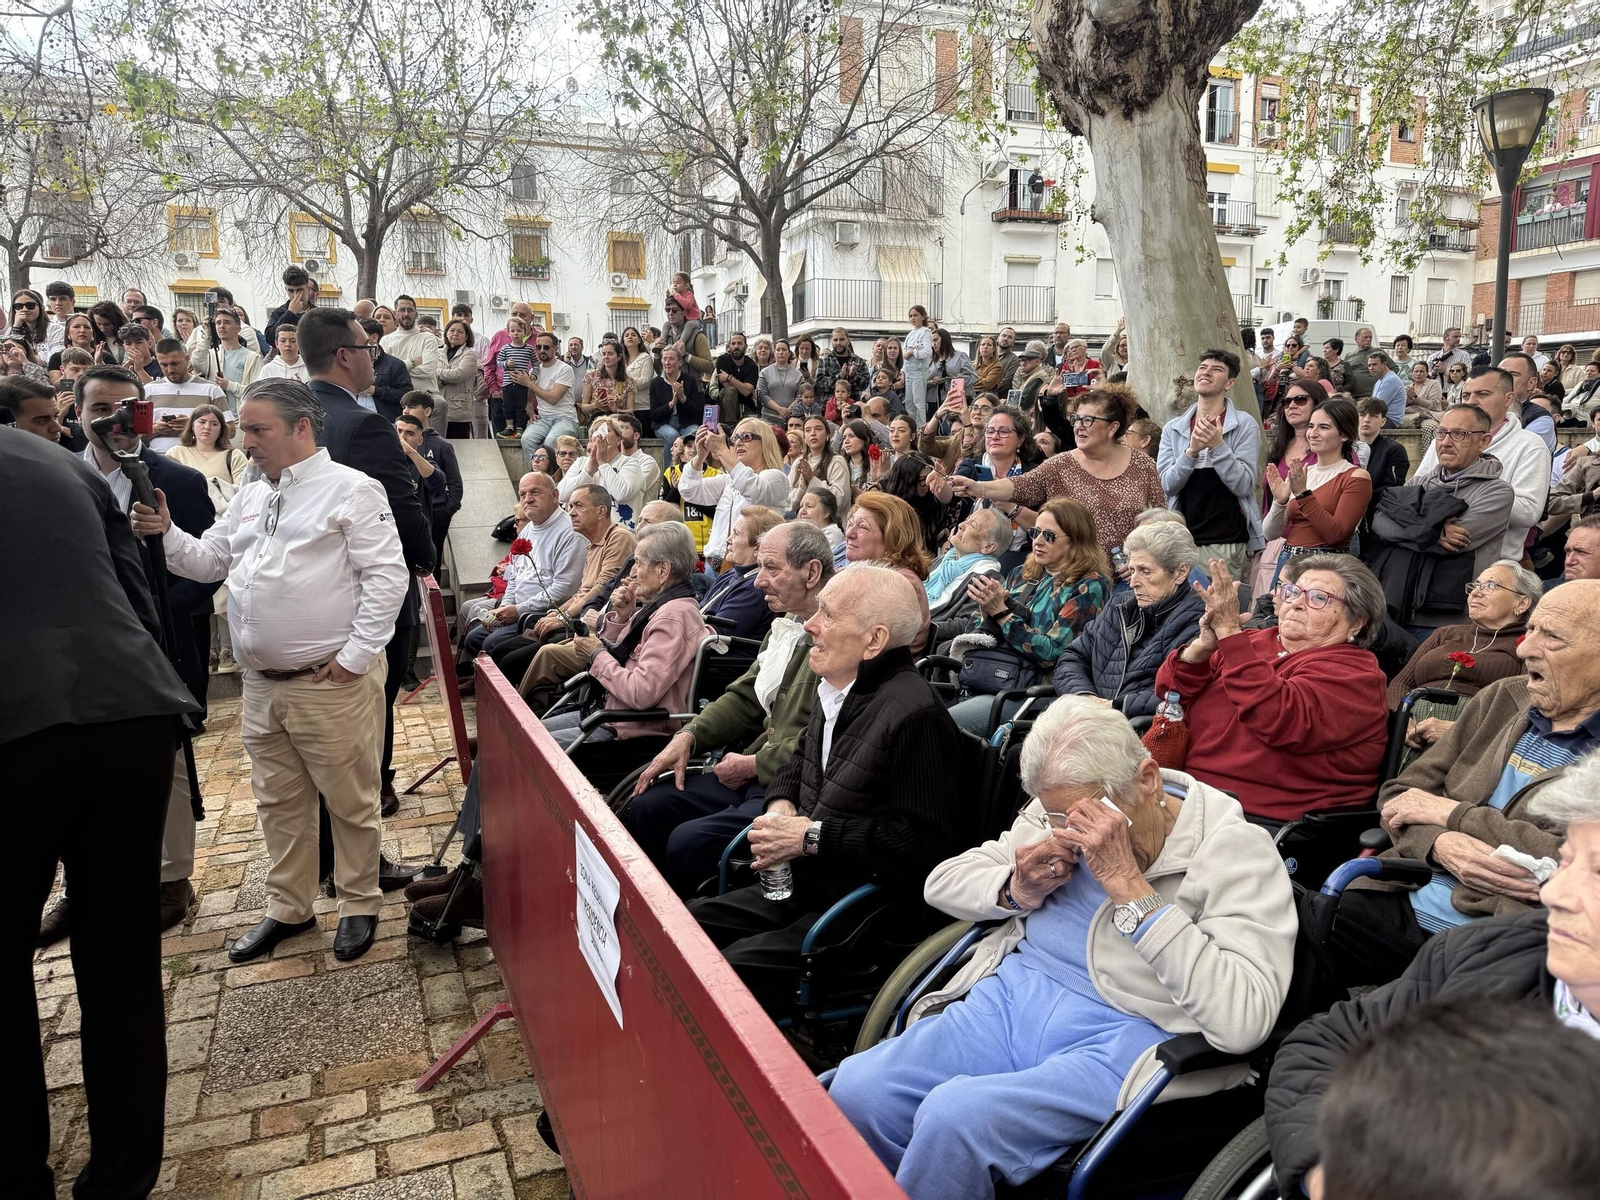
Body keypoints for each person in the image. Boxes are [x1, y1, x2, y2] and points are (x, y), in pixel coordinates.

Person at [830, 695, 1296, 1200]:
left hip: (1129, 1033)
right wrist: (1017, 889)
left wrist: (1131, 889)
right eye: (1058, 816)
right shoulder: (1056, 810)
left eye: (1091, 813)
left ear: (1147, 779)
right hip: (1011, 1002)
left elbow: (1244, 1019)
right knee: (858, 1091)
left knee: (955, 1121)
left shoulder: (1233, 850)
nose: (1075, 833)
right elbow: (942, 882)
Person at [133, 379, 409, 964]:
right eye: (243, 427)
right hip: (262, 684)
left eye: (258, 429)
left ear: (301, 428)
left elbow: (389, 579)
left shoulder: (352, 490)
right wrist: (168, 532)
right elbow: (211, 561)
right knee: (277, 801)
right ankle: (290, 906)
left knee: (350, 800)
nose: (245, 439)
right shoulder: (254, 493)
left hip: (329, 681)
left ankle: (359, 902)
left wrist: (354, 659)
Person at [7, 425, 202, 1200]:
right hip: (126, 711)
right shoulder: (55, 460)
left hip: (17, 727)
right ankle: (122, 1176)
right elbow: (137, 593)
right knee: (121, 955)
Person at [1266, 755, 1600, 1198]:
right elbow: (1327, 1043)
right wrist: (1327, 1168)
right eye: (1564, 861)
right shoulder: (1488, 951)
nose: (1554, 891)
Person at [686, 565, 973, 1012]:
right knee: (686, 928)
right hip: (806, 886)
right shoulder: (839, 687)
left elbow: (924, 846)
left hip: (861, 917)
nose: (810, 624)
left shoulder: (915, 716)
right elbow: (798, 763)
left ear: (874, 641)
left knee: (719, 979)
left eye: (828, 614)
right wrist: (781, 808)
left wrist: (809, 836)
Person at [1340, 582, 1600, 978]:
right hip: (1407, 891)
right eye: (1530, 630)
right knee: (1296, 936)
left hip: (1510, 940)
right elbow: (1399, 795)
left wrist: (1453, 815)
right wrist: (1439, 843)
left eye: (1553, 637)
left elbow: (1573, 862)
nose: (1524, 649)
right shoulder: (1504, 698)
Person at [626, 522, 832, 893]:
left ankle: (689, 929)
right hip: (754, 773)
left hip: (794, 790)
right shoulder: (784, 625)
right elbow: (744, 697)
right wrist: (689, 736)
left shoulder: (836, 639)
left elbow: (827, 735)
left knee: (690, 841)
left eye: (771, 568)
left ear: (812, 572)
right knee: (646, 808)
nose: (758, 581)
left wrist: (755, 763)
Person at [1155, 554, 1389, 823]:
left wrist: (1230, 632)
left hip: (1261, 820)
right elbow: (1169, 693)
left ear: (1357, 622)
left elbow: (1278, 718)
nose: (1297, 604)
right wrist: (1199, 651)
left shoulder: (1356, 674)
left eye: (1318, 598)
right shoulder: (1254, 640)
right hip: (1186, 793)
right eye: (1293, 592)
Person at [946, 498, 1112, 733]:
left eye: (1050, 536)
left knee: (944, 723)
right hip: (990, 675)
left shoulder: (1089, 585)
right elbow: (974, 633)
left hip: (1033, 690)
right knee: (920, 708)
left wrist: (1002, 614)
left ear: (1076, 542)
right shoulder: (1022, 573)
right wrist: (986, 611)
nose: (1038, 541)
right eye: (1035, 532)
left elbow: (1053, 654)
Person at [953, 384, 1166, 565]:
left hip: (1128, 576)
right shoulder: (1060, 464)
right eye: (1076, 419)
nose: (1079, 427)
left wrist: (1141, 561)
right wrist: (977, 487)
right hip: (1073, 577)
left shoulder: (1142, 465)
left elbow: (1160, 520)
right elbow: (1019, 485)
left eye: (1088, 420)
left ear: (1113, 428)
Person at [538, 522, 707, 748]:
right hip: (610, 713)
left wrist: (595, 653)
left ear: (662, 571)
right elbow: (625, 657)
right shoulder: (660, 606)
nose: (632, 572)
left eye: (638, 563)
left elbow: (640, 692)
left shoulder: (672, 617)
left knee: (527, 745)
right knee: (526, 731)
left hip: (631, 730)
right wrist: (622, 618)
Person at [1369, 404, 1515, 632]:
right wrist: (1433, 532)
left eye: (1459, 434)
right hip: (1397, 606)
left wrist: (1407, 525)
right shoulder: (1420, 482)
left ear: (1484, 441)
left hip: (1449, 617)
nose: (1446, 442)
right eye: (1441, 432)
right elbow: (1379, 522)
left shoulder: (1496, 492)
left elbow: (1455, 542)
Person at [1051, 520, 1206, 718]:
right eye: (1132, 570)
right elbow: (1072, 658)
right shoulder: (1119, 606)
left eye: (1145, 571)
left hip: (1140, 731)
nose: (1133, 583)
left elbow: (1179, 691)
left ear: (1180, 572)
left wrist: (1116, 707)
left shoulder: (1197, 621)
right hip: (1090, 720)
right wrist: (1085, 697)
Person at [1414, 366, 1550, 565]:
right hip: (1428, 553)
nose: (1472, 402)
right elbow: (1414, 491)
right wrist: (1436, 526)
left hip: (1493, 564)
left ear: (1508, 399)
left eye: (1483, 394)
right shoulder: (1445, 437)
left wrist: (1443, 516)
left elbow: (1528, 511)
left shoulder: (1531, 445)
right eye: (1466, 395)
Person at [458, 471, 588, 667]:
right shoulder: (527, 529)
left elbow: (564, 589)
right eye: (523, 494)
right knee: (473, 638)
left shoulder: (569, 533)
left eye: (535, 492)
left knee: (491, 644)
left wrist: (518, 611)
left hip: (544, 615)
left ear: (554, 495)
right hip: (518, 610)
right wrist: (505, 608)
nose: (528, 499)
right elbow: (515, 577)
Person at [1157, 348, 1263, 585]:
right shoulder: (1174, 428)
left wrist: (1218, 447)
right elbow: (1168, 484)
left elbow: (1244, 485)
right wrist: (1191, 452)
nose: (1206, 373)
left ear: (1230, 383)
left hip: (1225, 541)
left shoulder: (1244, 425)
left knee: (1217, 613)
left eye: (1217, 370)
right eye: (1203, 368)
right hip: (1180, 539)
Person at [1388, 560, 1540, 724]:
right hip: (1411, 727)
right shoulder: (1445, 633)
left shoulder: (1528, 644)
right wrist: (1402, 722)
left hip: (1474, 736)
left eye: (1490, 586)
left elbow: (1526, 704)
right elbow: (1400, 684)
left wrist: (1458, 732)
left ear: (1522, 603)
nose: (1475, 593)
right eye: (1475, 586)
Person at [1263, 398, 1372, 582]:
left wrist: (1303, 495)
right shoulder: (1303, 473)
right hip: (1288, 562)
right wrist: (1279, 501)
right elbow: (1270, 533)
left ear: (1344, 435)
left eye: (1323, 427)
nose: (1313, 433)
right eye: (1311, 426)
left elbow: (1336, 534)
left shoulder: (1356, 476)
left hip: (1324, 566)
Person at [675, 419, 790, 571]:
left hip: (747, 569)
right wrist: (700, 457)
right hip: (712, 567)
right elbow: (689, 490)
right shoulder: (728, 479)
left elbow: (752, 489)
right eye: (735, 439)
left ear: (766, 443)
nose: (739, 442)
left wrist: (722, 450)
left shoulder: (776, 477)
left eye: (746, 436)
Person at [843, 490, 934, 646]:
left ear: (893, 539)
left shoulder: (902, 583)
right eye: (850, 523)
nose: (850, 533)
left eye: (863, 527)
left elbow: (863, 642)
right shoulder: (867, 573)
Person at [925, 508, 1012, 644]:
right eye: (967, 520)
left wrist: (922, 628)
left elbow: (966, 625)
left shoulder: (988, 579)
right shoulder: (944, 560)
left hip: (928, 644)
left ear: (988, 547)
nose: (961, 525)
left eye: (972, 525)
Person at [399, 394, 463, 572]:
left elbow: (455, 483)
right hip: (407, 512)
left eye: (411, 406)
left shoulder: (442, 446)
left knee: (431, 563)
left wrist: (446, 511)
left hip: (435, 513)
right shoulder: (392, 443)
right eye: (404, 406)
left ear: (427, 411)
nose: (406, 410)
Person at [557, 415, 651, 525]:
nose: (600, 434)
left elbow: (622, 494)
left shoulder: (630, 463)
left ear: (618, 440)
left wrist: (603, 464)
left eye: (606, 430)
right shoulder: (581, 463)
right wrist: (589, 471)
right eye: (595, 431)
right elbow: (562, 495)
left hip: (619, 534)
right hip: (584, 534)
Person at [146, 337, 229, 453]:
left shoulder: (211, 390)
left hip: (199, 460)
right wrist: (156, 429)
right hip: (158, 459)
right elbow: (134, 435)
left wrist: (194, 427)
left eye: (175, 363)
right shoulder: (148, 391)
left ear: (187, 359)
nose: (170, 370)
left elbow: (230, 430)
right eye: (164, 365)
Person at [517, 330, 579, 462]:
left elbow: (553, 398)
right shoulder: (534, 371)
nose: (542, 350)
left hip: (566, 418)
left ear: (556, 348)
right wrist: (532, 415)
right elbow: (527, 401)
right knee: (527, 439)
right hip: (543, 418)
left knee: (551, 441)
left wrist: (530, 383)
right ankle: (534, 478)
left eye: (546, 347)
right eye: (538, 347)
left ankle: (551, 479)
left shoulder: (564, 369)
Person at [650, 343, 704, 465]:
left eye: (671, 359)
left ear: (680, 362)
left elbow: (695, 411)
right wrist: (672, 403)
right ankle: (669, 475)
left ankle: (691, 468)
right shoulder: (656, 383)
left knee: (696, 431)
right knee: (672, 435)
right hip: (664, 423)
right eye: (665, 359)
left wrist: (683, 398)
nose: (667, 362)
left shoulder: (689, 380)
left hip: (685, 423)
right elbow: (654, 414)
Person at [788, 413, 852, 512]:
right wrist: (803, 486)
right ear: (804, 438)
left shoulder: (836, 462)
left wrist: (812, 479)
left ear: (827, 434)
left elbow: (841, 500)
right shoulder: (798, 463)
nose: (813, 433)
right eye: (808, 430)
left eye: (818, 429)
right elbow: (788, 503)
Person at [436, 318, 479, 438]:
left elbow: (459, 375)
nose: (455, 334)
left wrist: (438, 373)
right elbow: (428, 373)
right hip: (438, 408)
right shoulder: (437, 352)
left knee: (460, 448)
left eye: (460, 331)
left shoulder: (469, 354)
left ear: (466, 336)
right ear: (446, 333)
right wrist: (444, 375)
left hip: (459, 410)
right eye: (452, 330)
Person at [925, 328, 976, 413]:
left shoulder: (960, 356)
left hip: (957, 400)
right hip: (934, 402)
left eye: (936, 340)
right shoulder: (930, 361)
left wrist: (954, 380)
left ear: (944, 340)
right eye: (932, 341)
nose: (933, 344)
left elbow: (973, 376)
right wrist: (931, 382)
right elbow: (922, 382)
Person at [711, 331, 759, 419]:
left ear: (746, 346)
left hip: (746, 406)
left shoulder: (752, 366)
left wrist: (729, 377)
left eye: (740, 343)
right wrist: (742, 386)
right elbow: (727, 386)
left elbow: (746, 391)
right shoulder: (722, 361)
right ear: (729, 346)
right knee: (730, 391)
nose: (736, 346)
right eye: (733, 343)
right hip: (725, 404)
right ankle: (730, 426)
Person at [756, 337, 803, 424]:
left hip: (791, 419)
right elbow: (762, 394)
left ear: (789, 353)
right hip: (769, 418)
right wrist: (779, 409)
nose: (781, 352)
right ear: (774, 353)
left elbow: (800, 396)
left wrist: (788, 410)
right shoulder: (765, 372)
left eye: (784, 349)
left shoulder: (798, 374)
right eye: (778, 350)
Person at [902, 305, 934, 426]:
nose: (913, 318)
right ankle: (913, 427)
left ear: (923, 316)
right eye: (911, 316)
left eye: (916, 315)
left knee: (918, 403)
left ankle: (921, 428)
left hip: (919, 371)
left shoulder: (926, 331)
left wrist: (912, 352)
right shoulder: (910, 334)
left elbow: (927, 352)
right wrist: (903, 372)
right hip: (909, 371)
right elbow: (904, 356)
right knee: (909, 403)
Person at [1368, 351, 1406, 427]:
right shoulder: (1380, 381)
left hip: (1389, 420)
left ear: (1384, 364)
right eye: (1369, 365)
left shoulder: (1390, 380)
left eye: (1374, 364)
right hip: (1382, 418)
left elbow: (1376, 407)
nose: (1371, 368)